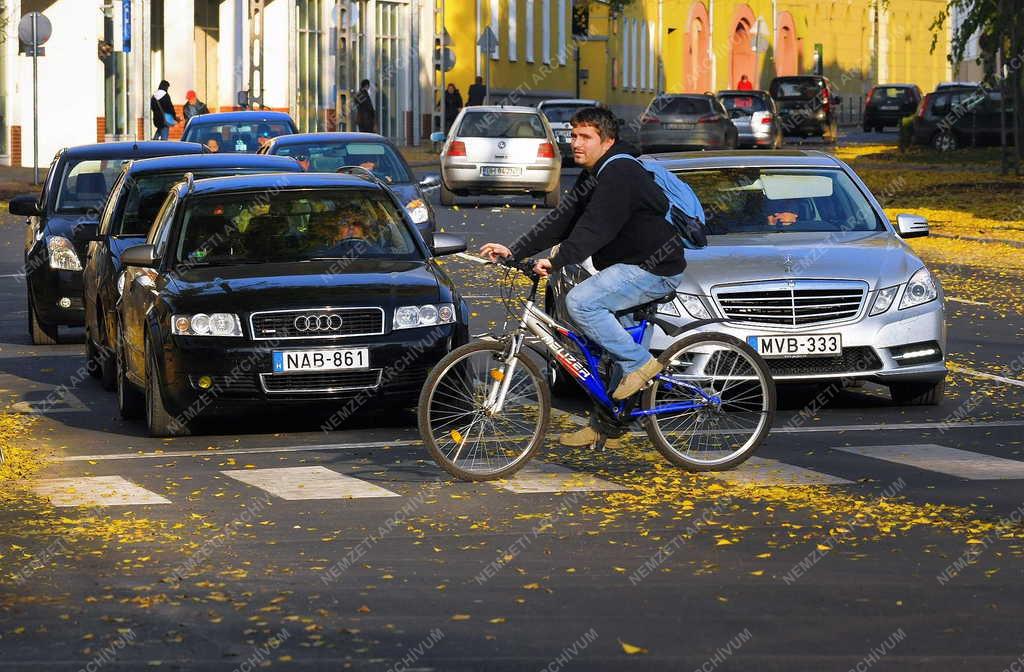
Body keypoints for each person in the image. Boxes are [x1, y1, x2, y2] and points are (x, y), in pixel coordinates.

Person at [479, 107, 688, 449]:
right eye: (573, 135)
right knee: (603, 347)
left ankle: (641, 364)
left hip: (654, 270)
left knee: (580, 302)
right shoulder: (596, 173)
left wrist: (556, 261)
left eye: (585, 137)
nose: (575, 143)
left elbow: (596, 228)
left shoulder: (620, 173)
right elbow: (563, 220)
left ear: (607, 140)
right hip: (629, 267)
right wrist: (515, 251)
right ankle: (609, 425)